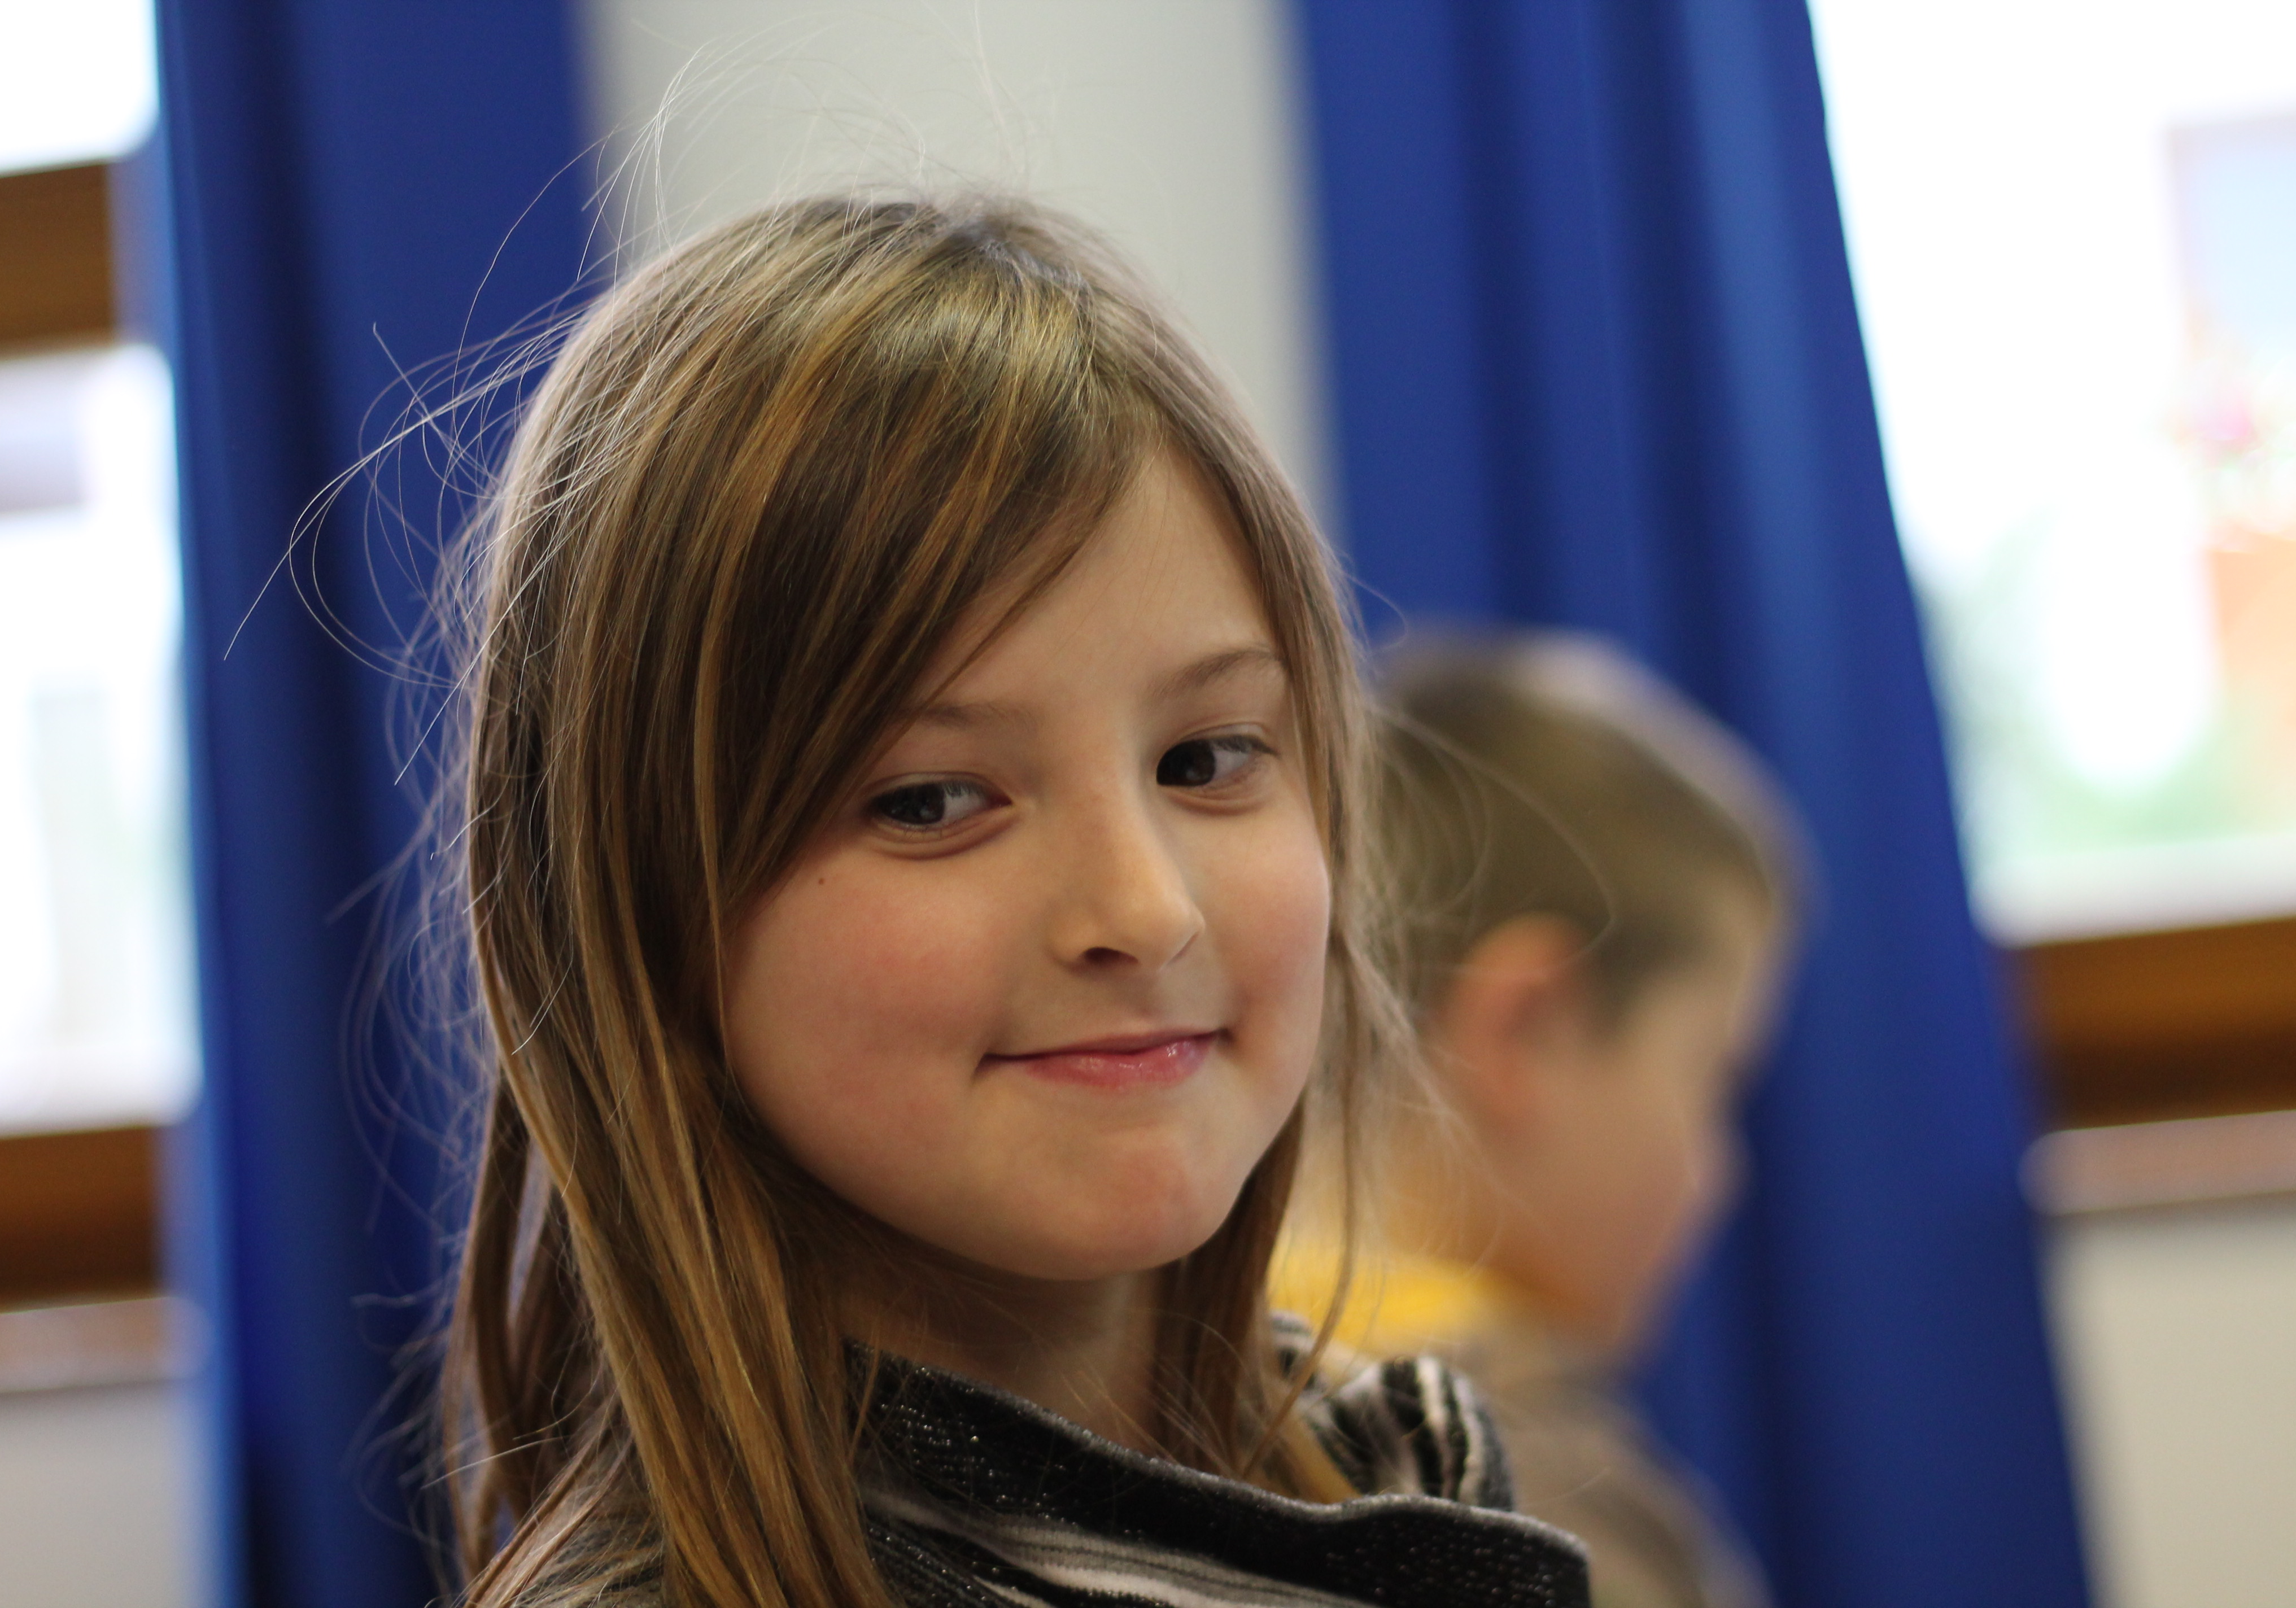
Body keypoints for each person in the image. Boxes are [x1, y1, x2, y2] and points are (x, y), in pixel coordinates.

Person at [430, 196, 1589, 1608]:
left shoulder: (1407, 1469)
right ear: (647, 910)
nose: (1145, 909)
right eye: (931, 800)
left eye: (1205, 760)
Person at [1297, 633, 1800, 1608]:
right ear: (1527, 1030)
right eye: (1714, 1080)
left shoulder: (1141, 1402)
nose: (1721, 1172)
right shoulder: (1538, 1505)